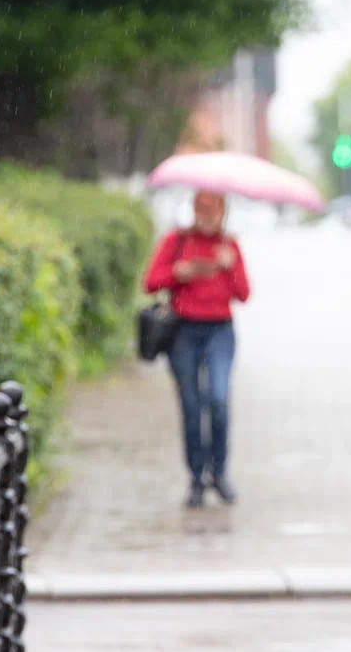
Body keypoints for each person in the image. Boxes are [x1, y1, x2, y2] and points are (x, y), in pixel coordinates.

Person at [144, 191, 251, 508]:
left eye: (214, 209)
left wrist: (229, 267)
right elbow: (150, 282)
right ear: (193, 210)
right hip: (184, 332)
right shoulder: (176, 242)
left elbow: (244, 294)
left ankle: (219, 471)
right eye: (201, 209)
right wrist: (179, 273)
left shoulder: (229, 246)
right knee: (192, 407)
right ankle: (196, 477)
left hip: (220, 331)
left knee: (217, 399)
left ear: (223, 212)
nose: (207, 215)